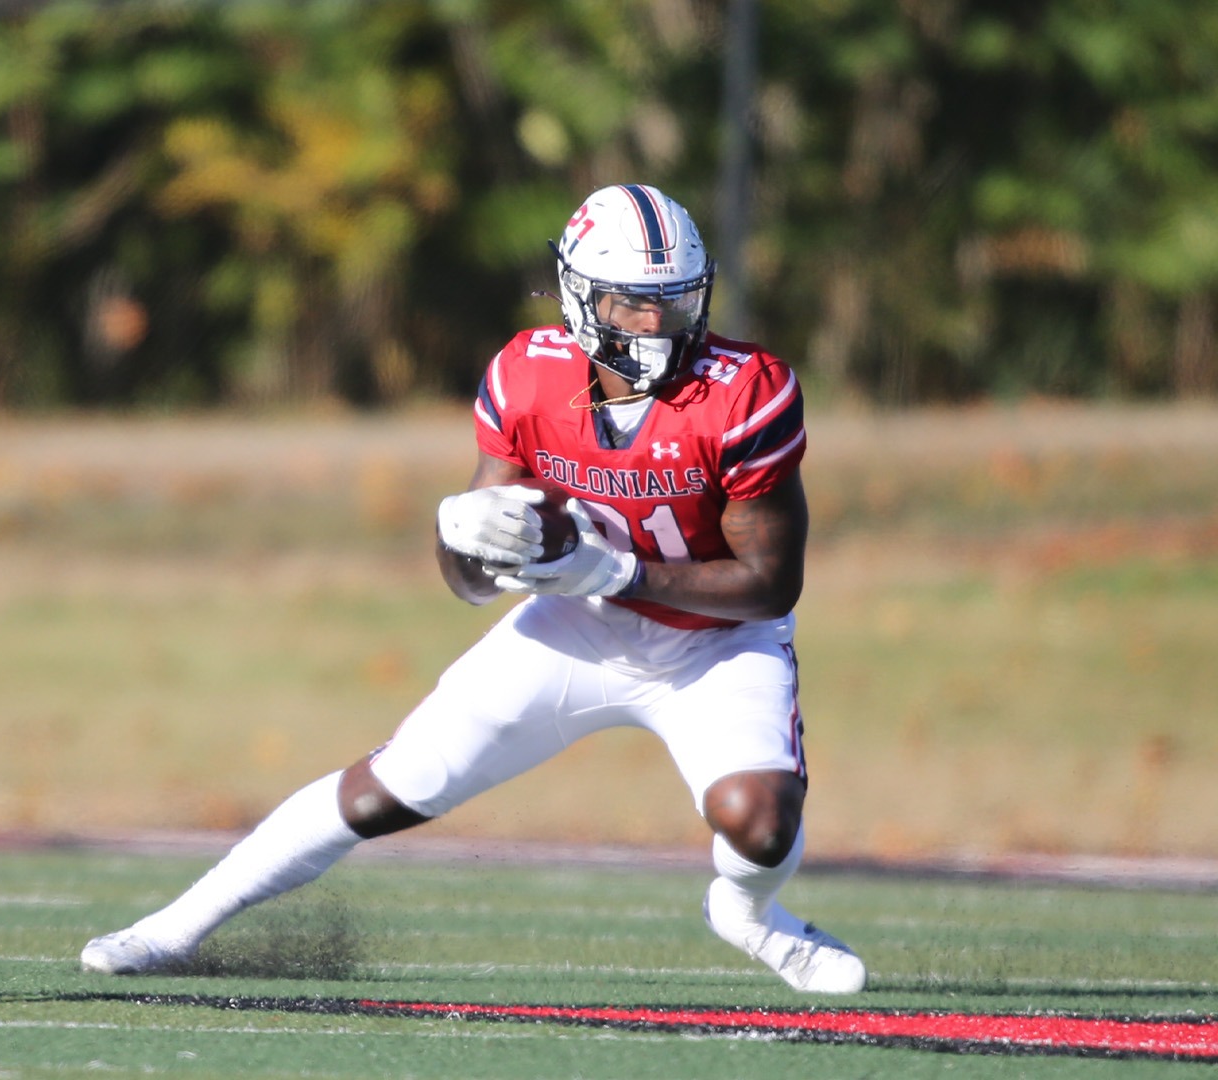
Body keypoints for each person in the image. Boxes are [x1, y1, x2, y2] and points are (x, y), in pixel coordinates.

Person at [82, 183, 865, 994]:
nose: (655, 326)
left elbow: (771, 586)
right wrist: (465, 532)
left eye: (673, 304)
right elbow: (469, 587)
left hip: (712, 643)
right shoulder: (528, 377)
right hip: (579, 626)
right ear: (580, 298)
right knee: (389, 789)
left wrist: (615, 570)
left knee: (760, 823)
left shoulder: (744, 392)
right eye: (632, 305)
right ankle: (170, 930)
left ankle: (745, 913)